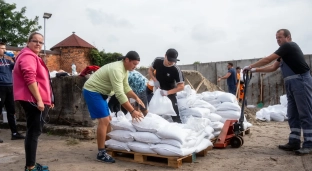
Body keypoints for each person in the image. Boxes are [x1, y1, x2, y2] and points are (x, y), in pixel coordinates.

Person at [243, 29, 312, 155]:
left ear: (288, 37)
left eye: (280, 37)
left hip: (300, 81)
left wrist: (251, 66)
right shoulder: (284, 54)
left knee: (305, 113)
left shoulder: (289, 46)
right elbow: (273, 67)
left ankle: (309, 143)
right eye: (276, 38)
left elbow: (268, 59)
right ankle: (294, 141)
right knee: (292, 114)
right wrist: (255, 70)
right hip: (291, 83)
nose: (278, 40)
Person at [83, 51, 145, 163]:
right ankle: (101, 153)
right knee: (104, 120)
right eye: (134, 64)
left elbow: (126, 87)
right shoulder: (116, 69)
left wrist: (136, 97)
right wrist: (132, 111)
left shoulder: (125, 70)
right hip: (93, 91)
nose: (135, 67)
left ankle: (107, 146)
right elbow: (120, 94)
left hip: (102, 93)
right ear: (127, 60)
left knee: (109, 120)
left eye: (136, 64)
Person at [13, 32, 54, 171]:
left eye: (40, 42)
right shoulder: (28, 56)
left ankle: (30, 165)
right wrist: (40, 100)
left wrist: (49, 99)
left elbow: (44, 81)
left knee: (33, 132)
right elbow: (30, 78)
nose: (38, 44)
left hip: (35, 99)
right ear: (28, 42)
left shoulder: (32, 56)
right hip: (32, 99)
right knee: (33, 133)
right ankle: (30, 167)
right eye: (34, 41)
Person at [148, 48, 184, 123]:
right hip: (158, 91)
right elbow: (150, 70)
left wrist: (167, 93)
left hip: (170, 91)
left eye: (173, 61)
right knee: (156, 114)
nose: (171, 62)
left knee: (175, 116)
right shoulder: (157, 61)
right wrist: (155, 80)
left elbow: (181, 87)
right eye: (169, 60)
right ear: (165, 56)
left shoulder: (176, 70)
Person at [0, 42, 25, 141]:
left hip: (10, 87)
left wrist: (14, 57)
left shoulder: (7, 61)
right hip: (0, 87)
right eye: (1, 48)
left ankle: (14, 133)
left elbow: (17, 67)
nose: (4, 50)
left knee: (11, 111)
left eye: (4, 48)